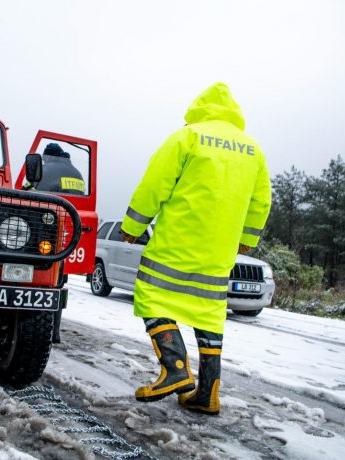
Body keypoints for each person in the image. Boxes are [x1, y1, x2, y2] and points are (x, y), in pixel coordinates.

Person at [120, 82, 271, 415]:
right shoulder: (253, 151)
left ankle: (174, 369)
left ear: (200, 108)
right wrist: (248, 238)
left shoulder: (187, 137)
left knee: (150, 292)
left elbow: (154, 184)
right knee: (209, 311)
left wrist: (133, 227)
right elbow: (261, 201)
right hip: (220, 248)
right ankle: (207, 393)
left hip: (178, 238)